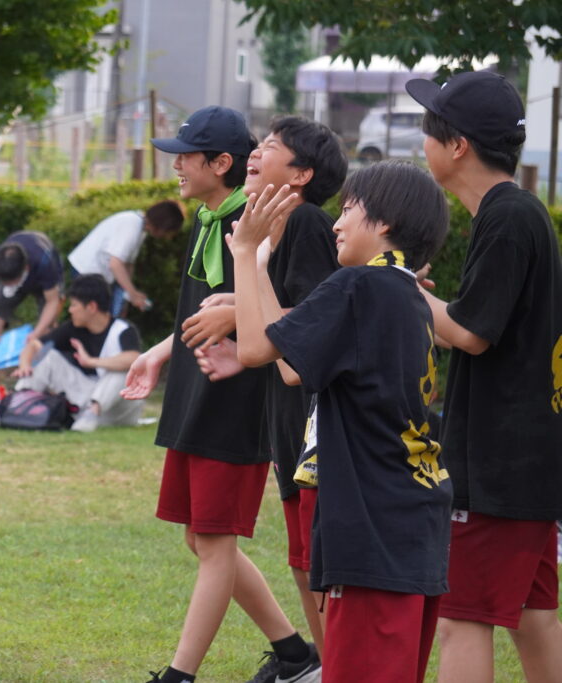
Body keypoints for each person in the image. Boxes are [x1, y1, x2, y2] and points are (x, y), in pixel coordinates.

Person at [230, 163, 451, 682]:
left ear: (386, 222)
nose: (336, 222)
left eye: (349, 208)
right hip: (412, 520)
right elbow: (289, 364)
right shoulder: (404, 295)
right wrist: (261, 268)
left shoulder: (359, 285)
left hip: (373, 525)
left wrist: (242, 252)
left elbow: (257, 349)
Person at [121, 106, 319, 683]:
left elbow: (270, 317)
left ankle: (180, 675)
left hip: (238, 400)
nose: (176, 165)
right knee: (199, 536)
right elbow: (202, 312)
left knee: (213, 539)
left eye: (185, 155)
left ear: (221, 162)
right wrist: (161, 351)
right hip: (195, 392)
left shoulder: (257, 224)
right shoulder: (211, 218)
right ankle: (293, 653)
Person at [405, 70, 562, 682]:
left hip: (499, 465)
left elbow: (470, 331)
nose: (424, 144)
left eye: (428, 131)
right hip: (529, 459)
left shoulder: (505, 217)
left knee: (462, 619)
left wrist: (400, 287)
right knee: (532, 615)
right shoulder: (516, 213)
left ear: (457, 145)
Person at [181, 115, 347, 661]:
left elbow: (319, 322)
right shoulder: (270, 229)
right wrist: (239, 347)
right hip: (285, 419)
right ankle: (322, 666)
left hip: (315, 422)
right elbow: (276, 325)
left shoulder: (306, 227)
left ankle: (335, 667)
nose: (255, 153)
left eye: (271, 148)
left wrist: (235, 312)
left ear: (301, 175)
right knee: (303, 565)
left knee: (317, 570)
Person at [11, 273, 143, 432]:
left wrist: (91, 361)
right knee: (48, 357)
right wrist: (25, 365)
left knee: (123, 371)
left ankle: (91, 414)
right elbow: (33, 346)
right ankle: (19, 404)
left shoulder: (123, 330)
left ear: (91, 307)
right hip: (87, 398)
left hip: (119, 410)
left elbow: (134, 359)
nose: (71, 310)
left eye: (74, 305)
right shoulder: (73, 327)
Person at [67, 201, 185, 315]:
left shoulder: (139, 227)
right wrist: (132, 293)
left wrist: (129, 293)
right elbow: (115, 264)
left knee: (105, 317)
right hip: (86, 272)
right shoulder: (132, 225)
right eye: (168, 232)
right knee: (94, 319)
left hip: (97, 275)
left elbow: (128, 264)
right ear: (162, 225)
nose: (167, 237)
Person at [0, 230, 64, 379]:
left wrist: (37, 332)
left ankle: (40, 377)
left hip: (46, 286)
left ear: (26, 270)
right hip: (13, 272)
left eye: (12, 283)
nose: (9, 285)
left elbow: (52, 301)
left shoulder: (43, 261)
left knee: (48, 328)